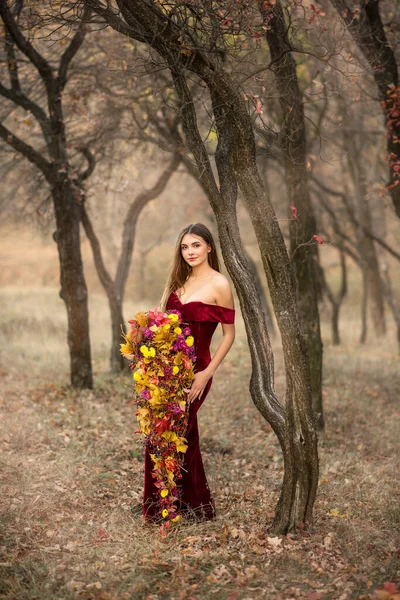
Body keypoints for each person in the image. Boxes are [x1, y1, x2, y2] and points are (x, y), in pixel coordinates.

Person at [143, 222, 236, 522]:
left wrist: (206, 373)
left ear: (209, 246)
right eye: (185, 247)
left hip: (197, 371)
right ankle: (166, 506)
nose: (190, 251)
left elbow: (229, 335)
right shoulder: (177, 281)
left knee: (180, 432)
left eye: (196, 245)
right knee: (160, 434)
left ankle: (188, 506)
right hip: (166, 372)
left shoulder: (220, 284)